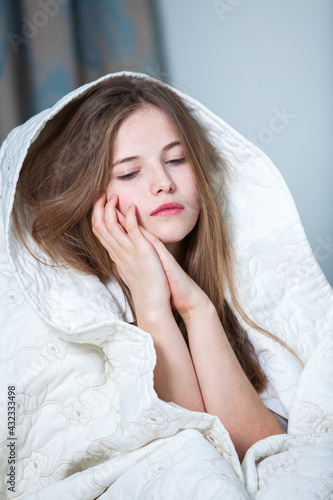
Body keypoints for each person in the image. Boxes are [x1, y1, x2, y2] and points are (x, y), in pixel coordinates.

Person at [1, 72, 332, 498]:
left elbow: (262, 451)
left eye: (176, 160)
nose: (164, 182)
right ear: (89, 195)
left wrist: (197, 308)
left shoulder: (227, 284)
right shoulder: (79, 302)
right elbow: (194, 456)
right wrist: (151, 302)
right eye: (129, 172)